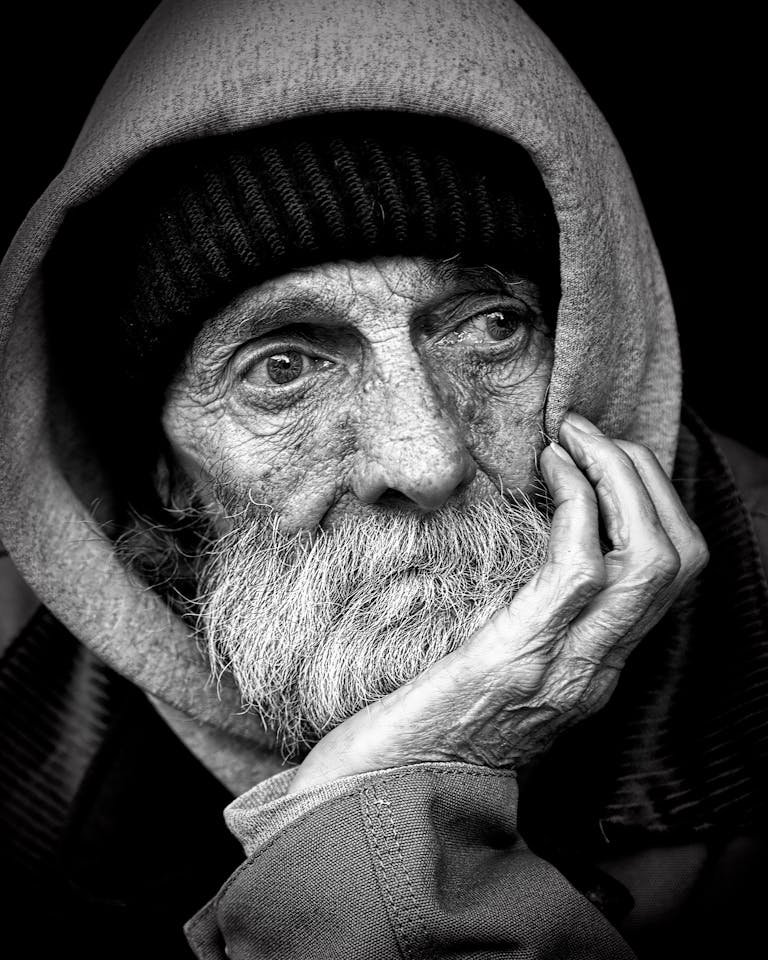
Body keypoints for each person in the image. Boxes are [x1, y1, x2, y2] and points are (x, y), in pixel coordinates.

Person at [0, 1, 766, 957]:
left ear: (594, 349)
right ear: (161, 468)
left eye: (492, 326)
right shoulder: (39, 777)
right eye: (283, 367)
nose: (425, 458)